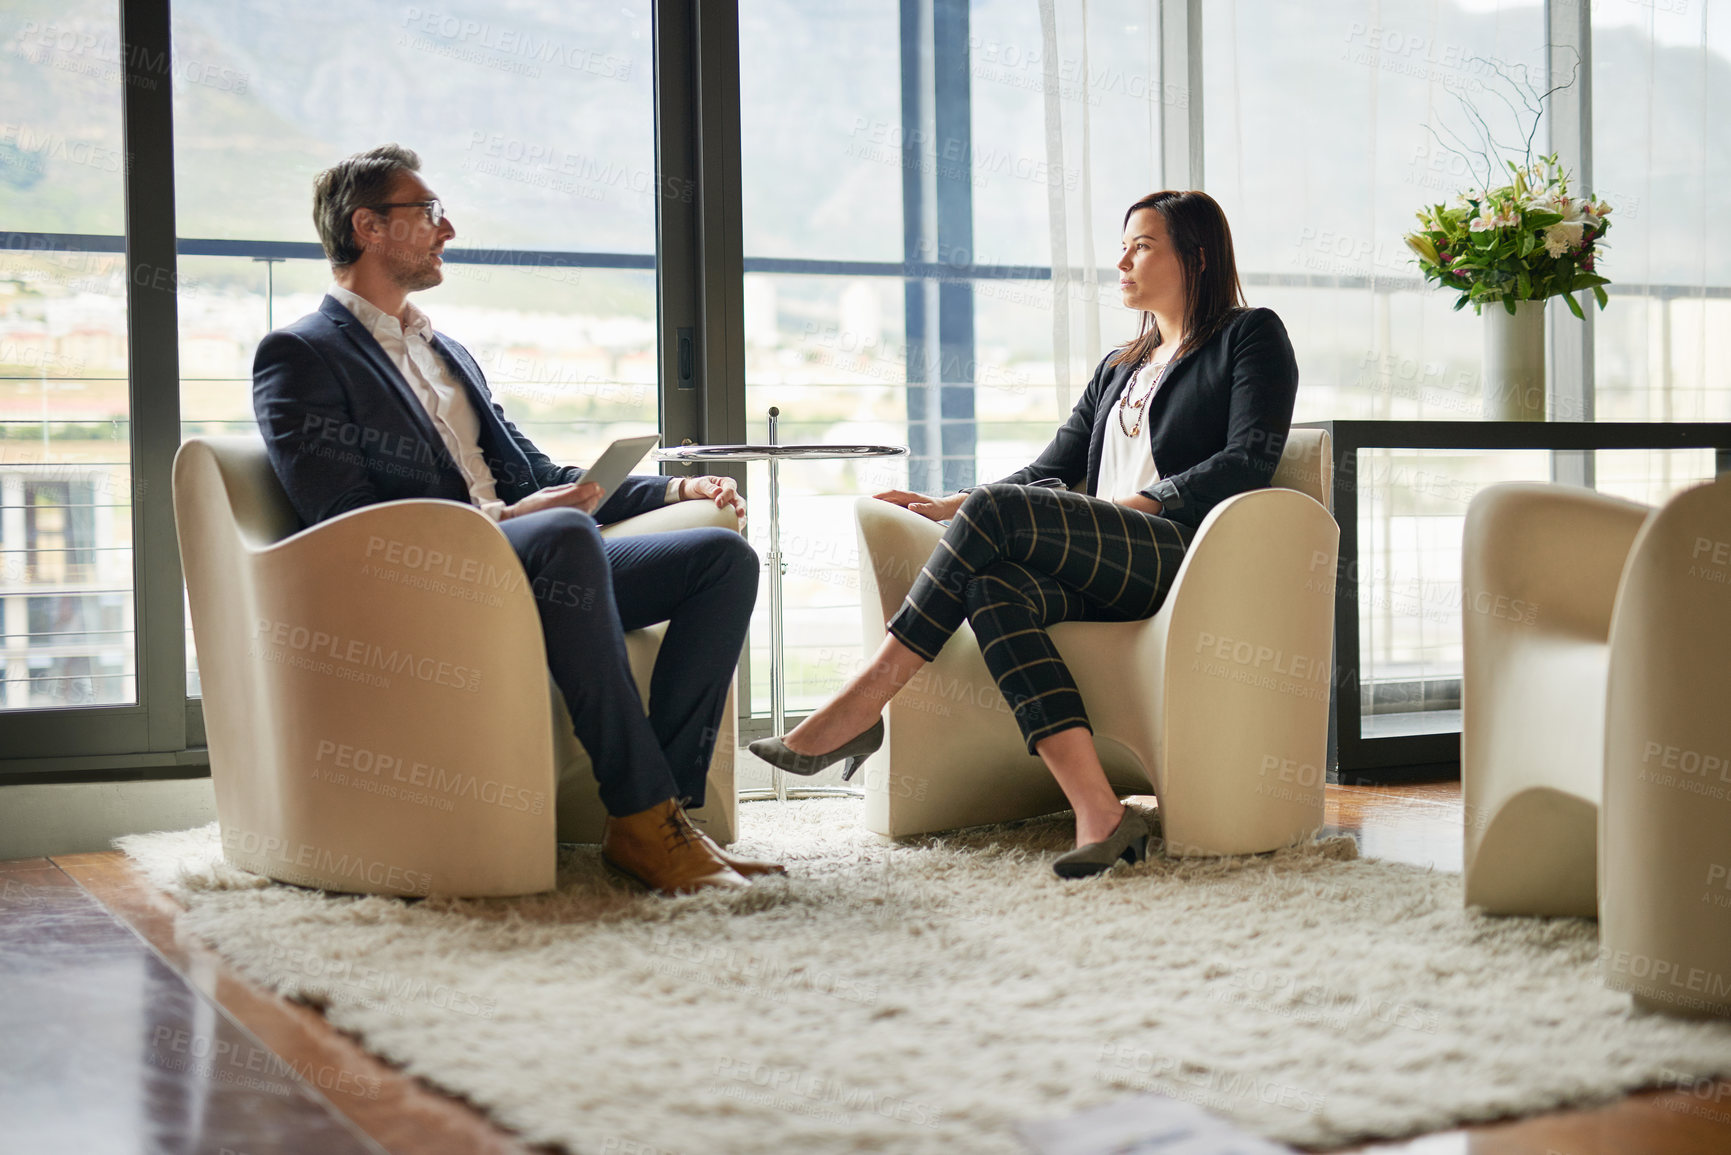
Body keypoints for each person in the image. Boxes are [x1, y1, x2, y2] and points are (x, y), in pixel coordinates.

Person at [253, 144, 766, 895]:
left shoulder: (445, 349)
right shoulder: (300, 353)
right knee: (560, 533)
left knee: (722, 563)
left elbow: (546, 479)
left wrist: (668, 493)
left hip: (549, 567)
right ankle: (640, 806)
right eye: (426, 212)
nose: (447, 227)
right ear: (367, 226)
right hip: (437, 581)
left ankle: (664, 820)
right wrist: (503, 517)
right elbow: (350, 517)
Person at [751, 190, 1299, 878]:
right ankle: (1098, 811)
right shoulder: (1118, 366)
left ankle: (866, 698)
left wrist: (1145, 500)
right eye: (1121, 247)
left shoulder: (1249, 336)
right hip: (1103, 555)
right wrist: (949, 505)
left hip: (1179, 553)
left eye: (1140, 245)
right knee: (992, 583)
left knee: (993, 513)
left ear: (1195, 255)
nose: (1122, 262)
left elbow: (1249, 455)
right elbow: (1052, 468)